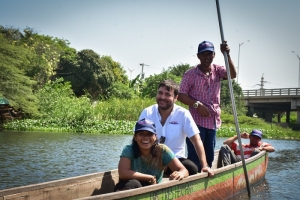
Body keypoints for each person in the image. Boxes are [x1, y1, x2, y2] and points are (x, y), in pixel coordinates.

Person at [178, 40, 237, 169]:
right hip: (195, 122)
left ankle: (206, 178)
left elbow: (233, 75)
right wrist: (197, 105)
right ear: (198, 56)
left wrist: (227, 54)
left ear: (214, 55)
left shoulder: (218, 70)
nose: (207, 57)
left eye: (210, 54)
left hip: (212, 122)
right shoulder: (190, 74)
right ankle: (193, 179)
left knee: (209, 156)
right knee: (195, 158)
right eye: (204, 54)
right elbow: (181, 95)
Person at [138, 80, 214, 176]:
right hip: (151, 159)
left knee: (192, 168)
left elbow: (196, 140)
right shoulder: (147, 112)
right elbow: (137, 139)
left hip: (175, 160)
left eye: (167, 95)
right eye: (160, 93)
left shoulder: (183, 114)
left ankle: (170, 172)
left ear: (175, 98)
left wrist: (204, 165)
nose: (162, 97)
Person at [114, 118, 189, 191]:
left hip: (154, 189)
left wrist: (181, 173)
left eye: (149, 134)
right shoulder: (129, 150)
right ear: (135, 137)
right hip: (129, 187)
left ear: (155, 137)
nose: (145, 137)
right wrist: (149, 177)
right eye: (141, 134)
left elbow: (183, 170)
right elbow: (123, 173)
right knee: (134, 183)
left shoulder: (162, 150)